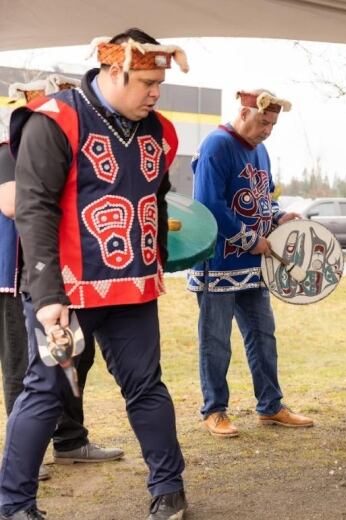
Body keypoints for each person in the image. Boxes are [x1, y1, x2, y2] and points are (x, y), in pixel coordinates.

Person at [3, 29, 189, 519]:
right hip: (66, 291)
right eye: (146, 81)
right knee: (44, 393)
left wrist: (161, 257)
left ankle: (169, 489)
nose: (154, 92)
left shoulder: (160, 131)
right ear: (113, 70)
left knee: (147, 387)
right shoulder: (55, 120)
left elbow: (157, 197)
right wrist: (45, 295)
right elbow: (34, 209)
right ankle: (14, 505)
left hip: (133, 290)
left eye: (160, 83)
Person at [1, 78, 125, 485]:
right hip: (16, 274)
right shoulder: (12, 146)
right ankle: (26, 457)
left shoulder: (74, 148)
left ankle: (70, 440)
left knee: (73, 357)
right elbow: (14, 203)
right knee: (28, 366)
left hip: (68, 273)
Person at [187, 88, 313, 437]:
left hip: (254, 266)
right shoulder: (216, 145)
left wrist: (278, 217)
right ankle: (214, 410)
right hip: (218, 265)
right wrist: (250, 240)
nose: (267, 130)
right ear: (243, 112)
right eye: (263, 122)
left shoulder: (261, 151)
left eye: (272, 124)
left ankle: (270, 406)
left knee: (263, 336)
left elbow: (261, 200)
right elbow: (209, 205)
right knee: (215, 340)